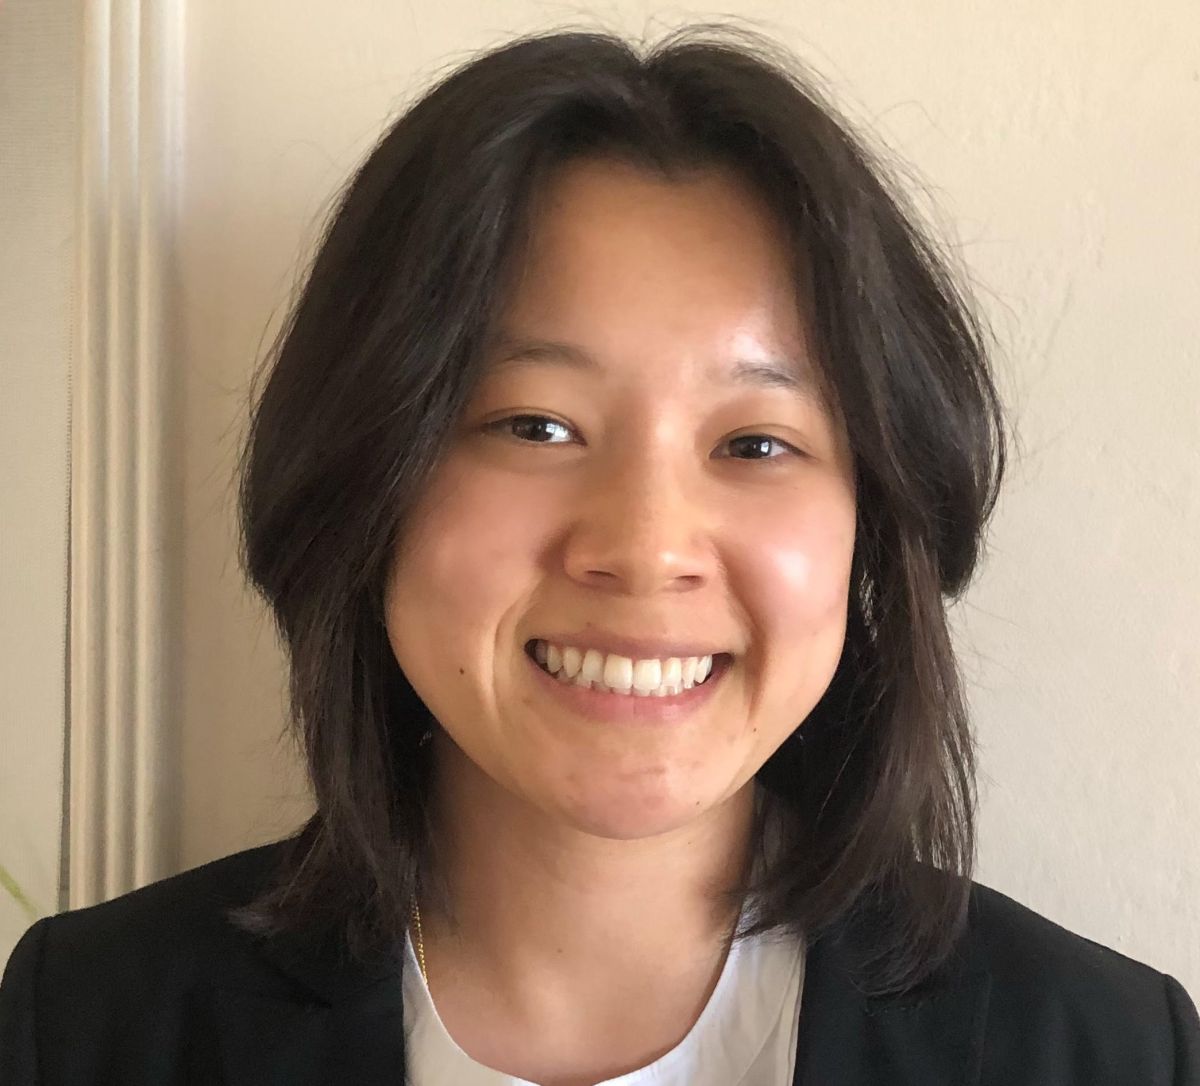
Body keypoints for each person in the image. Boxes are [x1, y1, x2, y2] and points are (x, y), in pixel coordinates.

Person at [1, 23, 1197, 1086]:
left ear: (873, 529)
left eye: (757, 441)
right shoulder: (93, 1023)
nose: (645, 546)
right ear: (367, 478)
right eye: (536, 425)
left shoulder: (1104, 1047)